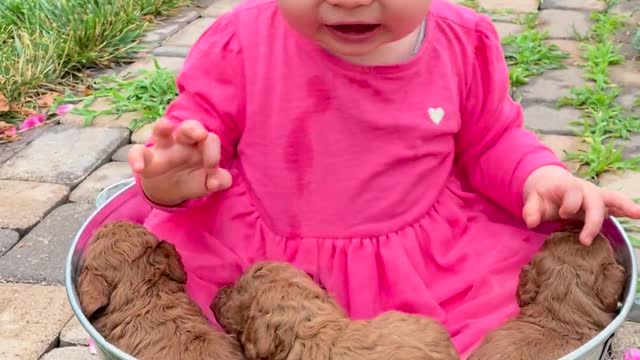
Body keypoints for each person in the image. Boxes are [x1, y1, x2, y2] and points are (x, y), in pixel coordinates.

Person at [127, 0, 640, 357]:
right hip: (262, 261)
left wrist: (538, 176)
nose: (349, 1)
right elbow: (194, 140)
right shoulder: (242, 43)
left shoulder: (463, 43)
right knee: (194, 328)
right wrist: (171, 180)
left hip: (427, 266)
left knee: (492, 334)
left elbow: (490, 141)